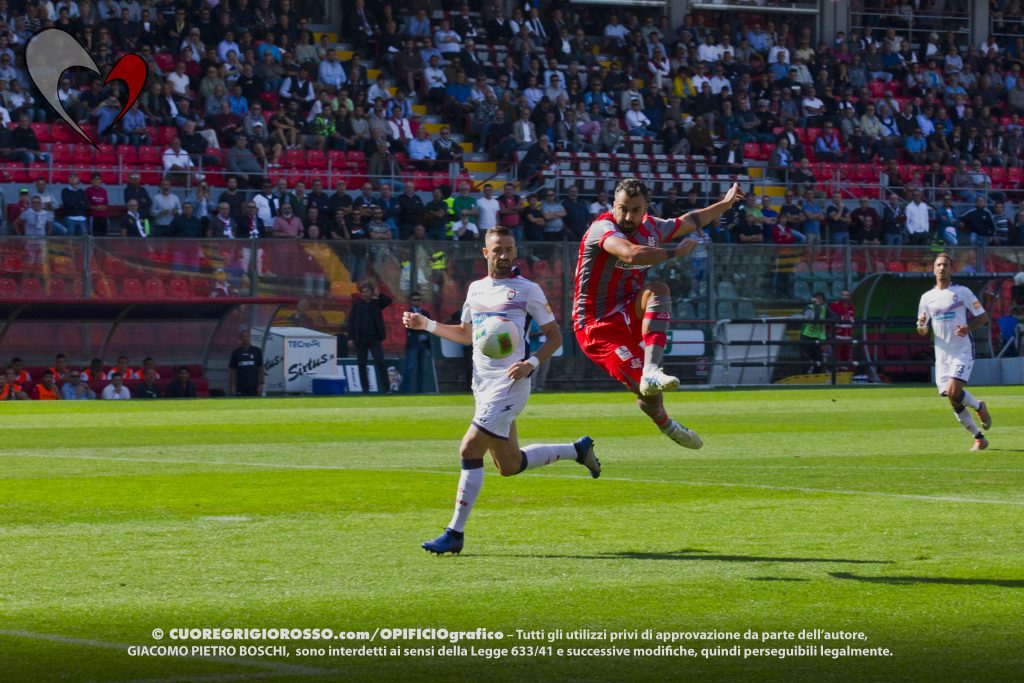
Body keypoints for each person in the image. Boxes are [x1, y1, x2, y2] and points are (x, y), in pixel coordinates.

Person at [403, 226, 599, 556]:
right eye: (498, 249)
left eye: (509, 249)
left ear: (516, 251)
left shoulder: (528, 290)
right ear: (486, 253)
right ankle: (578, 451)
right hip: (482, 385)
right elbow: (467, 334)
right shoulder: (476, 290)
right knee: (509, 465)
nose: (504, 255)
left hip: (511, 384)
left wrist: (531, 364)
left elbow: (555, 337)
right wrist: (428, 325)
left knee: (468, 449)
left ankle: (455, 533)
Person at [573, 179, 744, 449]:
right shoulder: (603, 228)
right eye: (622, 209)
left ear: (646, 208)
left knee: (659, 289)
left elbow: (690, 221)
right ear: (613, 206)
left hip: (629, 307)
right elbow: (630, 254)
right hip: (596, 325)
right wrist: (675, 252)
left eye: (635, 210)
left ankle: (652, 369)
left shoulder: (653, 226)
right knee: (647, 396)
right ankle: (666, 423)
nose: (627, 217)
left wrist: (725, 203)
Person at [917, 253, 992, 451]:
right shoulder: (926, 298)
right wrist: (922, 326)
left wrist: (969, 327)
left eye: (946, 265)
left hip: (962, 351)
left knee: (953, 391)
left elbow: (983, 317)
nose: (942, 268)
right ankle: (978, 438)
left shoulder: (963, 292)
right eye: (938, 265)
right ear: (933, 269)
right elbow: (922, 329)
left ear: (951, 269)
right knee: (953, 399)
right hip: (942, 356)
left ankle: (979, 407)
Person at [348, 282, 392, 393]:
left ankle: (386, 388)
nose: (364, 294)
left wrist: (378, 294)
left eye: (367, 291)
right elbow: (351, 322)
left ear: (371, 292)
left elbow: (388, 301)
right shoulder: (357, 305)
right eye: (363, 292)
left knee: (380, 361)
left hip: (374, 338)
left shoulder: (377, 303)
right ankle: (365, 389)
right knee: (362, 364)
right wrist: (350, 338)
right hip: (361, 339)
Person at [404, 291, 432, 394]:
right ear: (411, 301)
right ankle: (405, 391)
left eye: (418, 299)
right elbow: (411, 327)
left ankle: (420, 391)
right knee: (409, 368)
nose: (417, 302)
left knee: (422, 369)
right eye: (414, 300)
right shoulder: (407, 313)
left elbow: (429, 326)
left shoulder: (425, 313)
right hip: (413, 344)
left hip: (424, 344)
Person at [228, 329, 264, 396]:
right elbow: (232, 370)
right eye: (243, 336)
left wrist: (261, 384)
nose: (246, 338)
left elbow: (261, 368)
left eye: (248, 336)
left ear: (250, 338)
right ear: (240, 338)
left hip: (254, 386)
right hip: (241, 386)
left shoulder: (257, 351)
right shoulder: (236, 352)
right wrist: (233, 386)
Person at [800, 291, 828, 374]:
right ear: (813, 299)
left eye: (820, 299)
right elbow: (816, 319)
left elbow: (835, 316)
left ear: (823, 301)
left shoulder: (824, 308)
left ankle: (816, 378)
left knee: (819, 360)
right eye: (817, 298)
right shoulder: (808, 308)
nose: (818, 300)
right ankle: (803, 379)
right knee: (805, 360)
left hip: (817, 337)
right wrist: (816, 306)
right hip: (807, 336)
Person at [829, 289, 855, 372]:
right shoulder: (834, 305)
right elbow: (830, 319)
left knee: (846, 359)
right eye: (843, 295)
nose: (845, 297)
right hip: (838, 335)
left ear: (850, 296)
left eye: (847, 295)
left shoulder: (852, 307)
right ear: (840, 295)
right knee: (836, 357)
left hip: (848, 336)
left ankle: (845, 376)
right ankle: (835, 377)